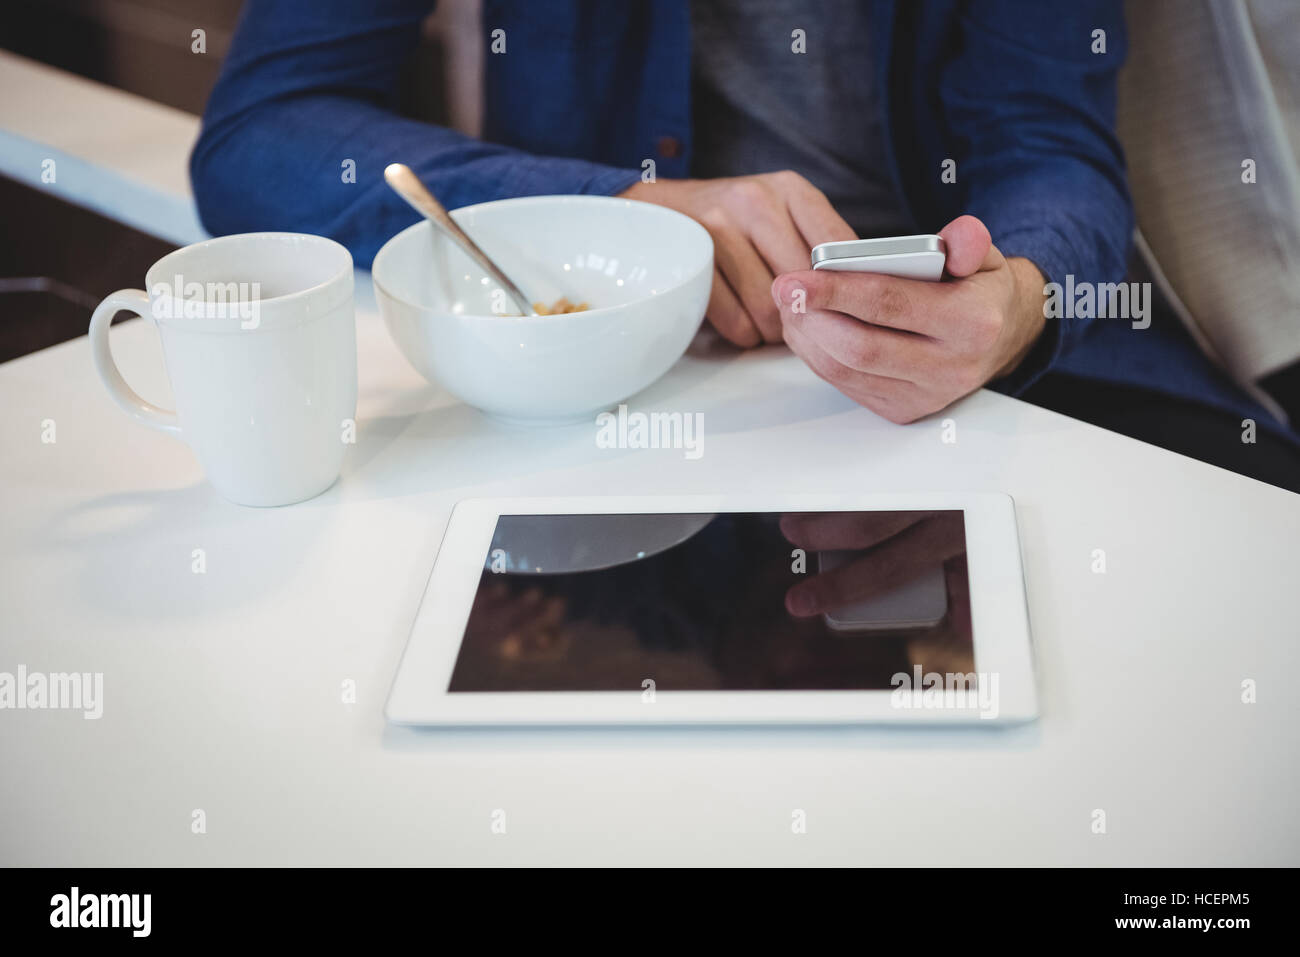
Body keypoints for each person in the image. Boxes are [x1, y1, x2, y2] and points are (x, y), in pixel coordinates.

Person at [191, 0, 1300, 489]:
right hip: (612, 385)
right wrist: (618, 206)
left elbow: (1047, 137)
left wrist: (1018, 293)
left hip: (982, 390)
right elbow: (257, 136)